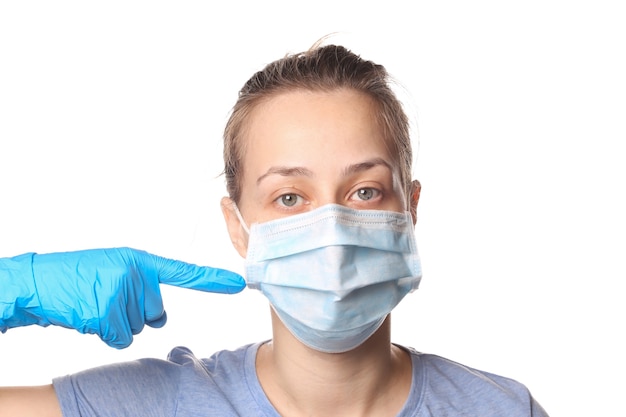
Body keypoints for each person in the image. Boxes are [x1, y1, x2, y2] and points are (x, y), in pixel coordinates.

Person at [0, 43, 549, 416]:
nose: (331, 227)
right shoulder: (153, 404)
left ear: (409, 209)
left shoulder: (499, 408)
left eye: (364, 191)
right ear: (238, 229)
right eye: (290, 197)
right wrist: (9, 292)